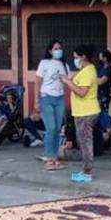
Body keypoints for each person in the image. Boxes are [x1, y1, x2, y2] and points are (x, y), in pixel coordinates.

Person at [61, 44, 100, 183]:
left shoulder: (88, 71)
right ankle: (85, 170)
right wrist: (71, 78)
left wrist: (67, 82)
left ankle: (87, 172)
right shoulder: (86, 70)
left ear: (83, 57)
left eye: (76, 57)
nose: (75, 60)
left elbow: (82, 92)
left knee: (85, 143)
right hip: (83, 112)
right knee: (83, 141)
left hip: (86, 112)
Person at [36, 40, 69, 168]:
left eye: (60, 48)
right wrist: (36, 101)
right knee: (51, 128)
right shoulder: (44, 63)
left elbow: (68, 81)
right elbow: (38, 82)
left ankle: (55, 158)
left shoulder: (64, 65)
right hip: (46, 98)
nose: (58, 50)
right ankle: (49, 158)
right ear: (50, 50)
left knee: (57, 129)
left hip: (59, 99)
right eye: (55, 48)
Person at [97, 50, 111, 114]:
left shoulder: (109, 69)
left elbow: (101, 81)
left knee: (103, 113)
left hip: (105, 94)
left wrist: (93, 80)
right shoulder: (100, 67)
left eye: (101, 57)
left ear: (105, 58)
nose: (99, 59)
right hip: (98, 93)